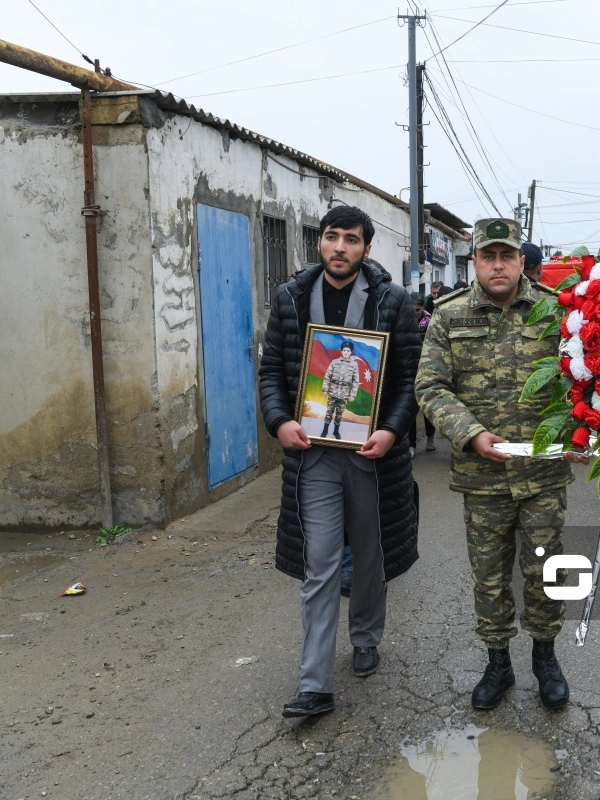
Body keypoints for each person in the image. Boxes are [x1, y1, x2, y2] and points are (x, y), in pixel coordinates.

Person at [416, 218, 586, 712]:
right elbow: (430, 386)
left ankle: (545, 657)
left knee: (544, 569)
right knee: (489, 575)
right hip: (482, 475)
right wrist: (470, 433)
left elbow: (583, 381)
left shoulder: (557, 313)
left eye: (505, 256)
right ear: (475, 262)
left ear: (519, 262)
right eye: (487, 256)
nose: (497, 265)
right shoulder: (449, 316)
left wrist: (585, 433)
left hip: (542, 475)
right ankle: (498, 662)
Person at [259, 205, 422, 719]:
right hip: (312, 457)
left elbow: (409, 380)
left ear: (366, 249)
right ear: (319, 243)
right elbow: (270, 374)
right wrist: (279, 421)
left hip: (374, 456)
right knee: (322, 562)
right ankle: (315, 685)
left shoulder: (393, 302)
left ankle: (367, 635)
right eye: (332, 237)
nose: (340, 247)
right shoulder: (289, 299)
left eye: (352, 239)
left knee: (370, 556)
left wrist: (392, 430)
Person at [410, 298, 437, 452]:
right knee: (411, 408)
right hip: (410, 368)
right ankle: (411, 445)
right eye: (412, 309)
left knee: (427, 405)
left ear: (422, 309)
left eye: (417, 310)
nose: (415, 313)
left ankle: (430, 438)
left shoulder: (431, 323)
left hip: (427, 368)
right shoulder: (404, 321)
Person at [320, 342, 360, 439]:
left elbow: (355, 381)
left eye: (348, 351)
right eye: (344, 350)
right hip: (333, 392)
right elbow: (327, 376)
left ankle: (336, 431)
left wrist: (353, 395)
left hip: (344, 394)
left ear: (351, 352)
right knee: (329, 412)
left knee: (339, 414)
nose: (346, 352)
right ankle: (325, 431)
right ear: (341, 351)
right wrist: (325, 389)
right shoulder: (334, 362)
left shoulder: (354, 364)